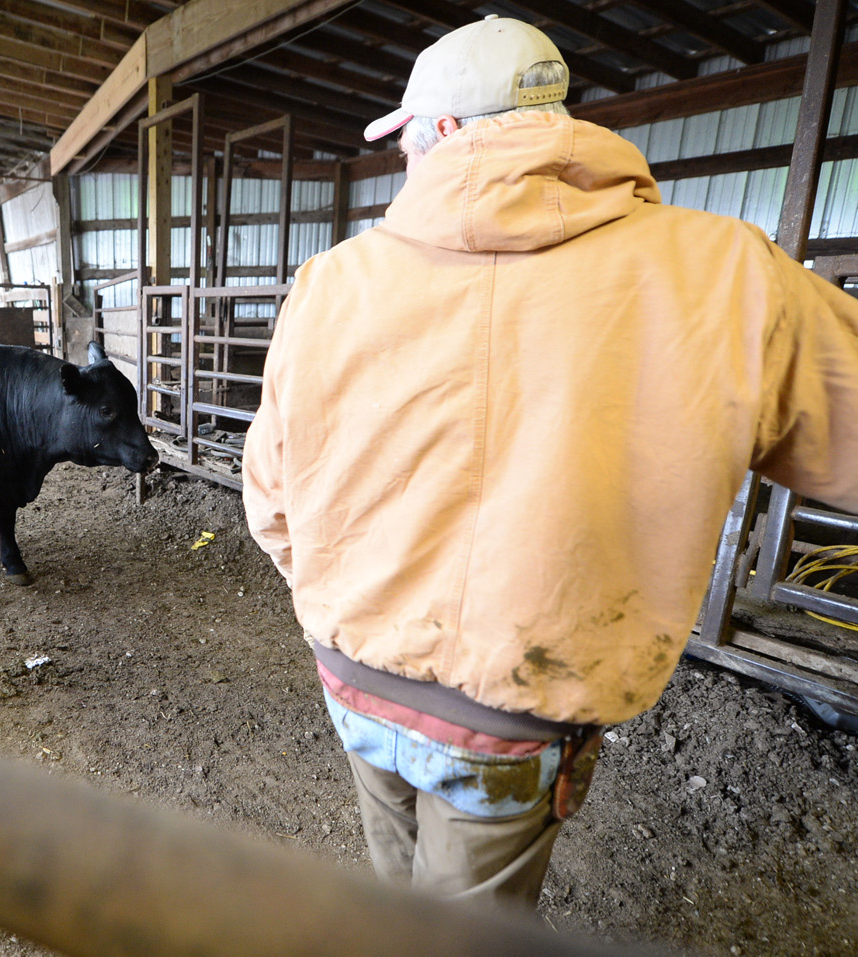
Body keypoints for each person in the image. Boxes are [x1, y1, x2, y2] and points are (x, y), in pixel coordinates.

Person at [242, 14, 858, 909]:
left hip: (352, 673)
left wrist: (347, 600)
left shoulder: (330, 281)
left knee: (394, 896)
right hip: (514, 712)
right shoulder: (726, 271)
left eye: (406, 135)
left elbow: (270, 496)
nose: (403, 156)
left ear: (446, 130)